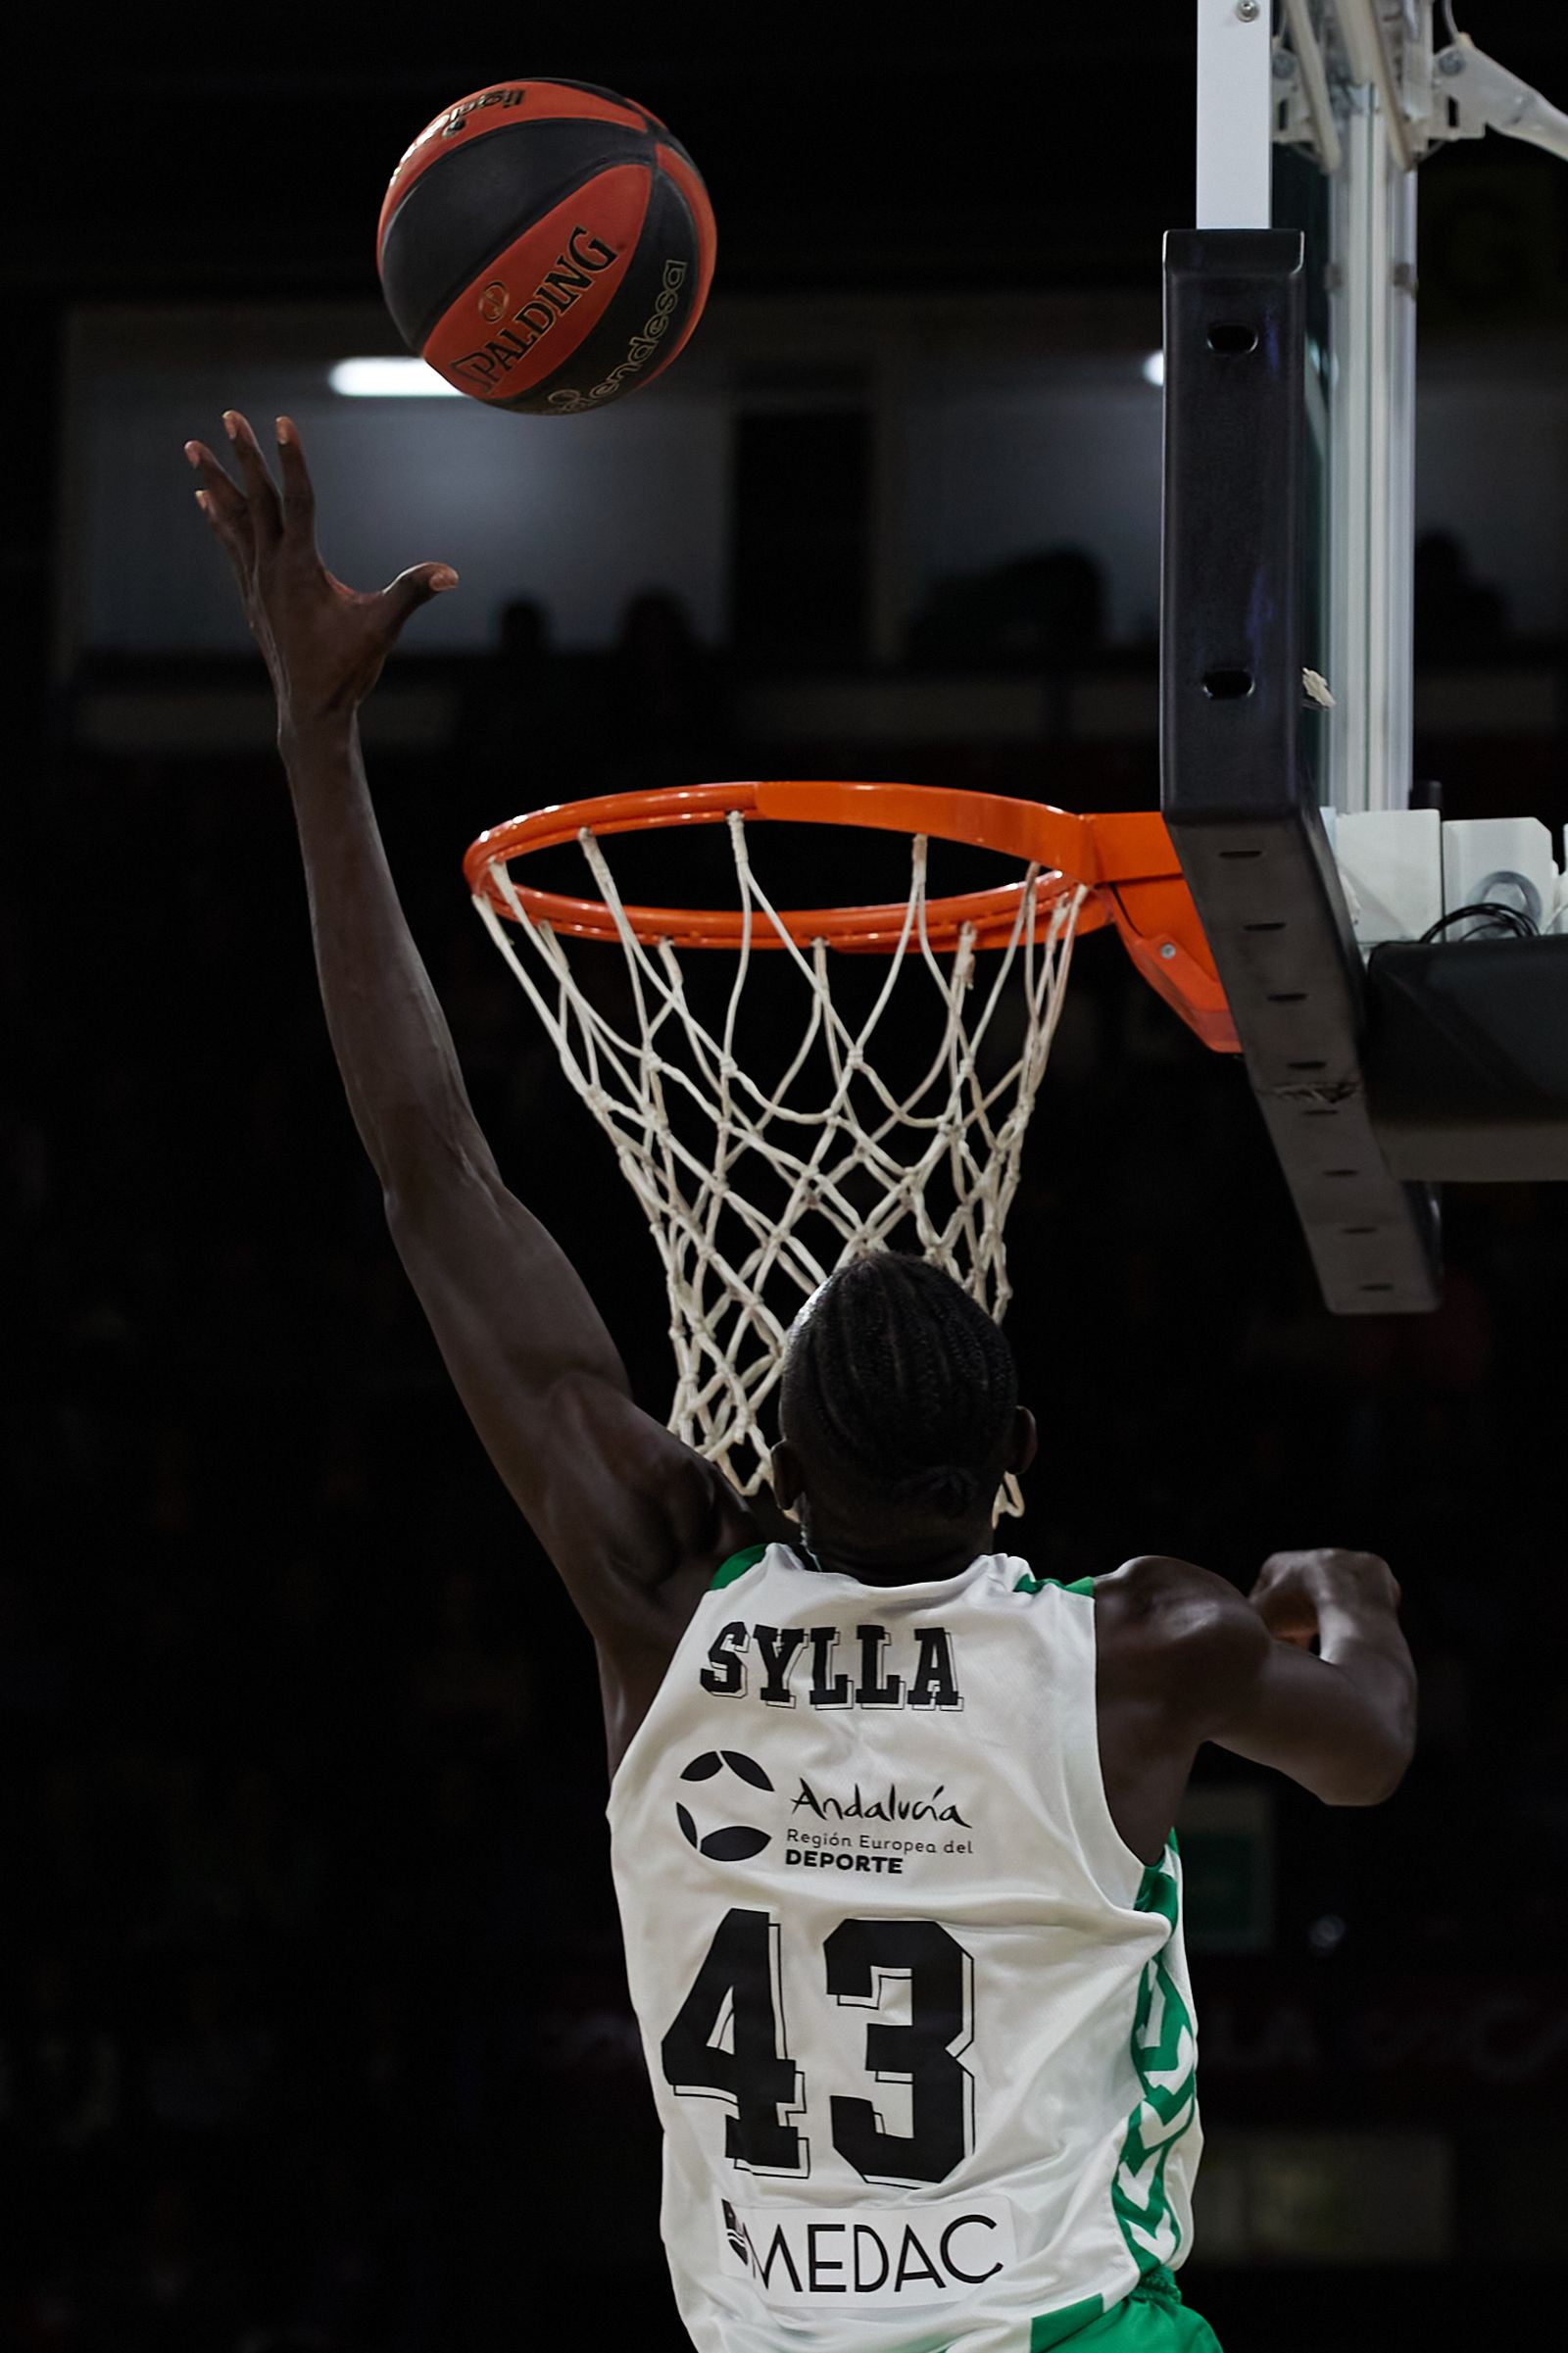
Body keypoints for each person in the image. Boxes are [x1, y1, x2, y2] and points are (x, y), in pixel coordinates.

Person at [182, 414, 1418, 2353]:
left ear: (755, 1441)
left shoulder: (661, 1603)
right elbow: (1366, 1745)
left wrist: (314, 739)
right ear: (1014, 1451)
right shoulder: (1140, 1646)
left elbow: (435, 1176)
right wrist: (1341, 1581)